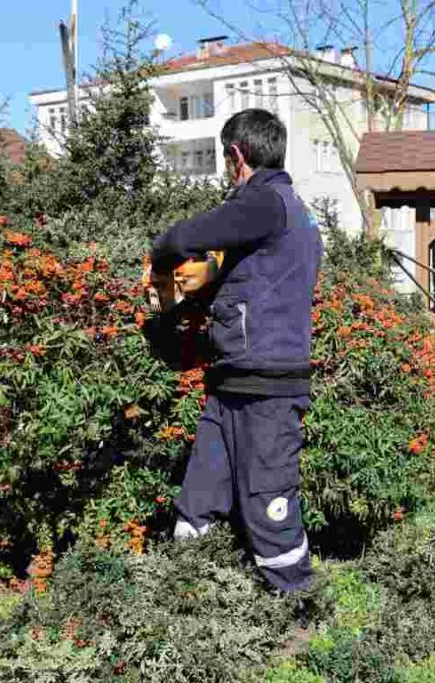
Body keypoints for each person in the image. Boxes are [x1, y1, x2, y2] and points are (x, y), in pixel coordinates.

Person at [150, 109, 323, 593]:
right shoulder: (289, 210)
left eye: (227, 159)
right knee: (201, 493)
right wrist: (210, 282)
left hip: (266, 382)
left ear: (236, 155)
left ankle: (297, 602)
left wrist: (161, 256)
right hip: (234, 379)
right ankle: (186, 592)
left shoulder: (265, 200)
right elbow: (262, 282)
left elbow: (185, 237)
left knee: (268, 496)